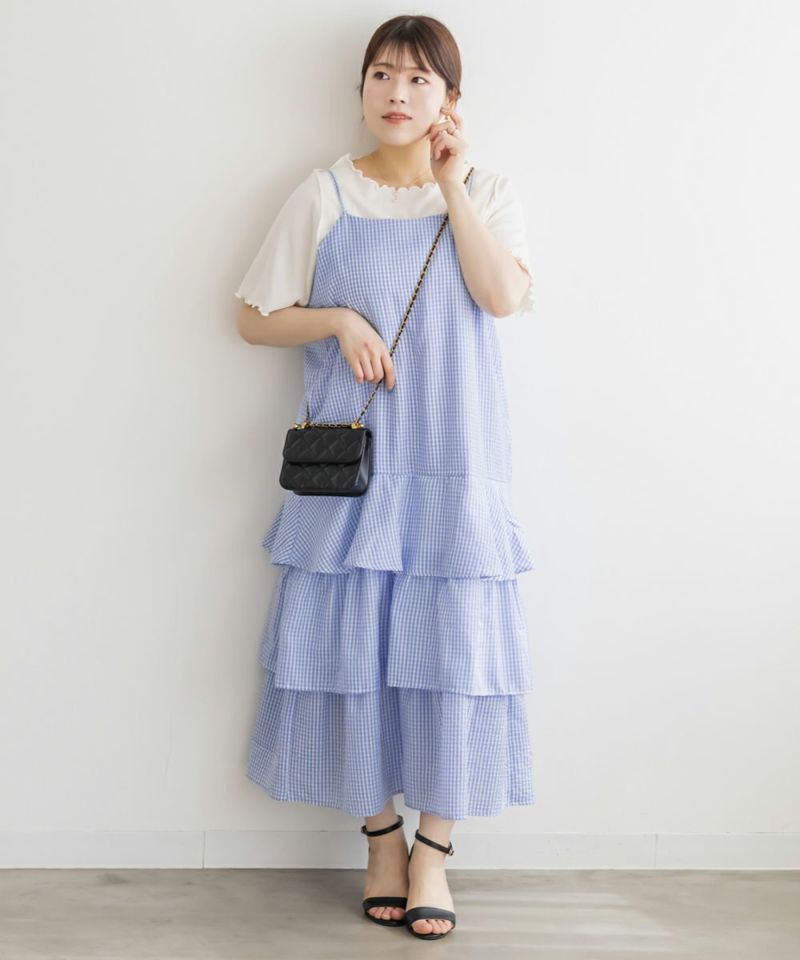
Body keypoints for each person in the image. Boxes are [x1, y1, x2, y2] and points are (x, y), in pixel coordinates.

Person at [235, 14, 536, 942]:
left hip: (456, 464)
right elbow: (254, 316)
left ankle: (434, 854)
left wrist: (451, 186)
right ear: (361, 88)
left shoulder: (485, 189)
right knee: (350, 652)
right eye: (380, 76)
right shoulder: (325, 192)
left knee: (453, 654)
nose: (396, 94)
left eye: (417, 79)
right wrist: (336, 320)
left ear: (450, 100)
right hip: (355, 476)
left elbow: (503, 296)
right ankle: (380, 842)